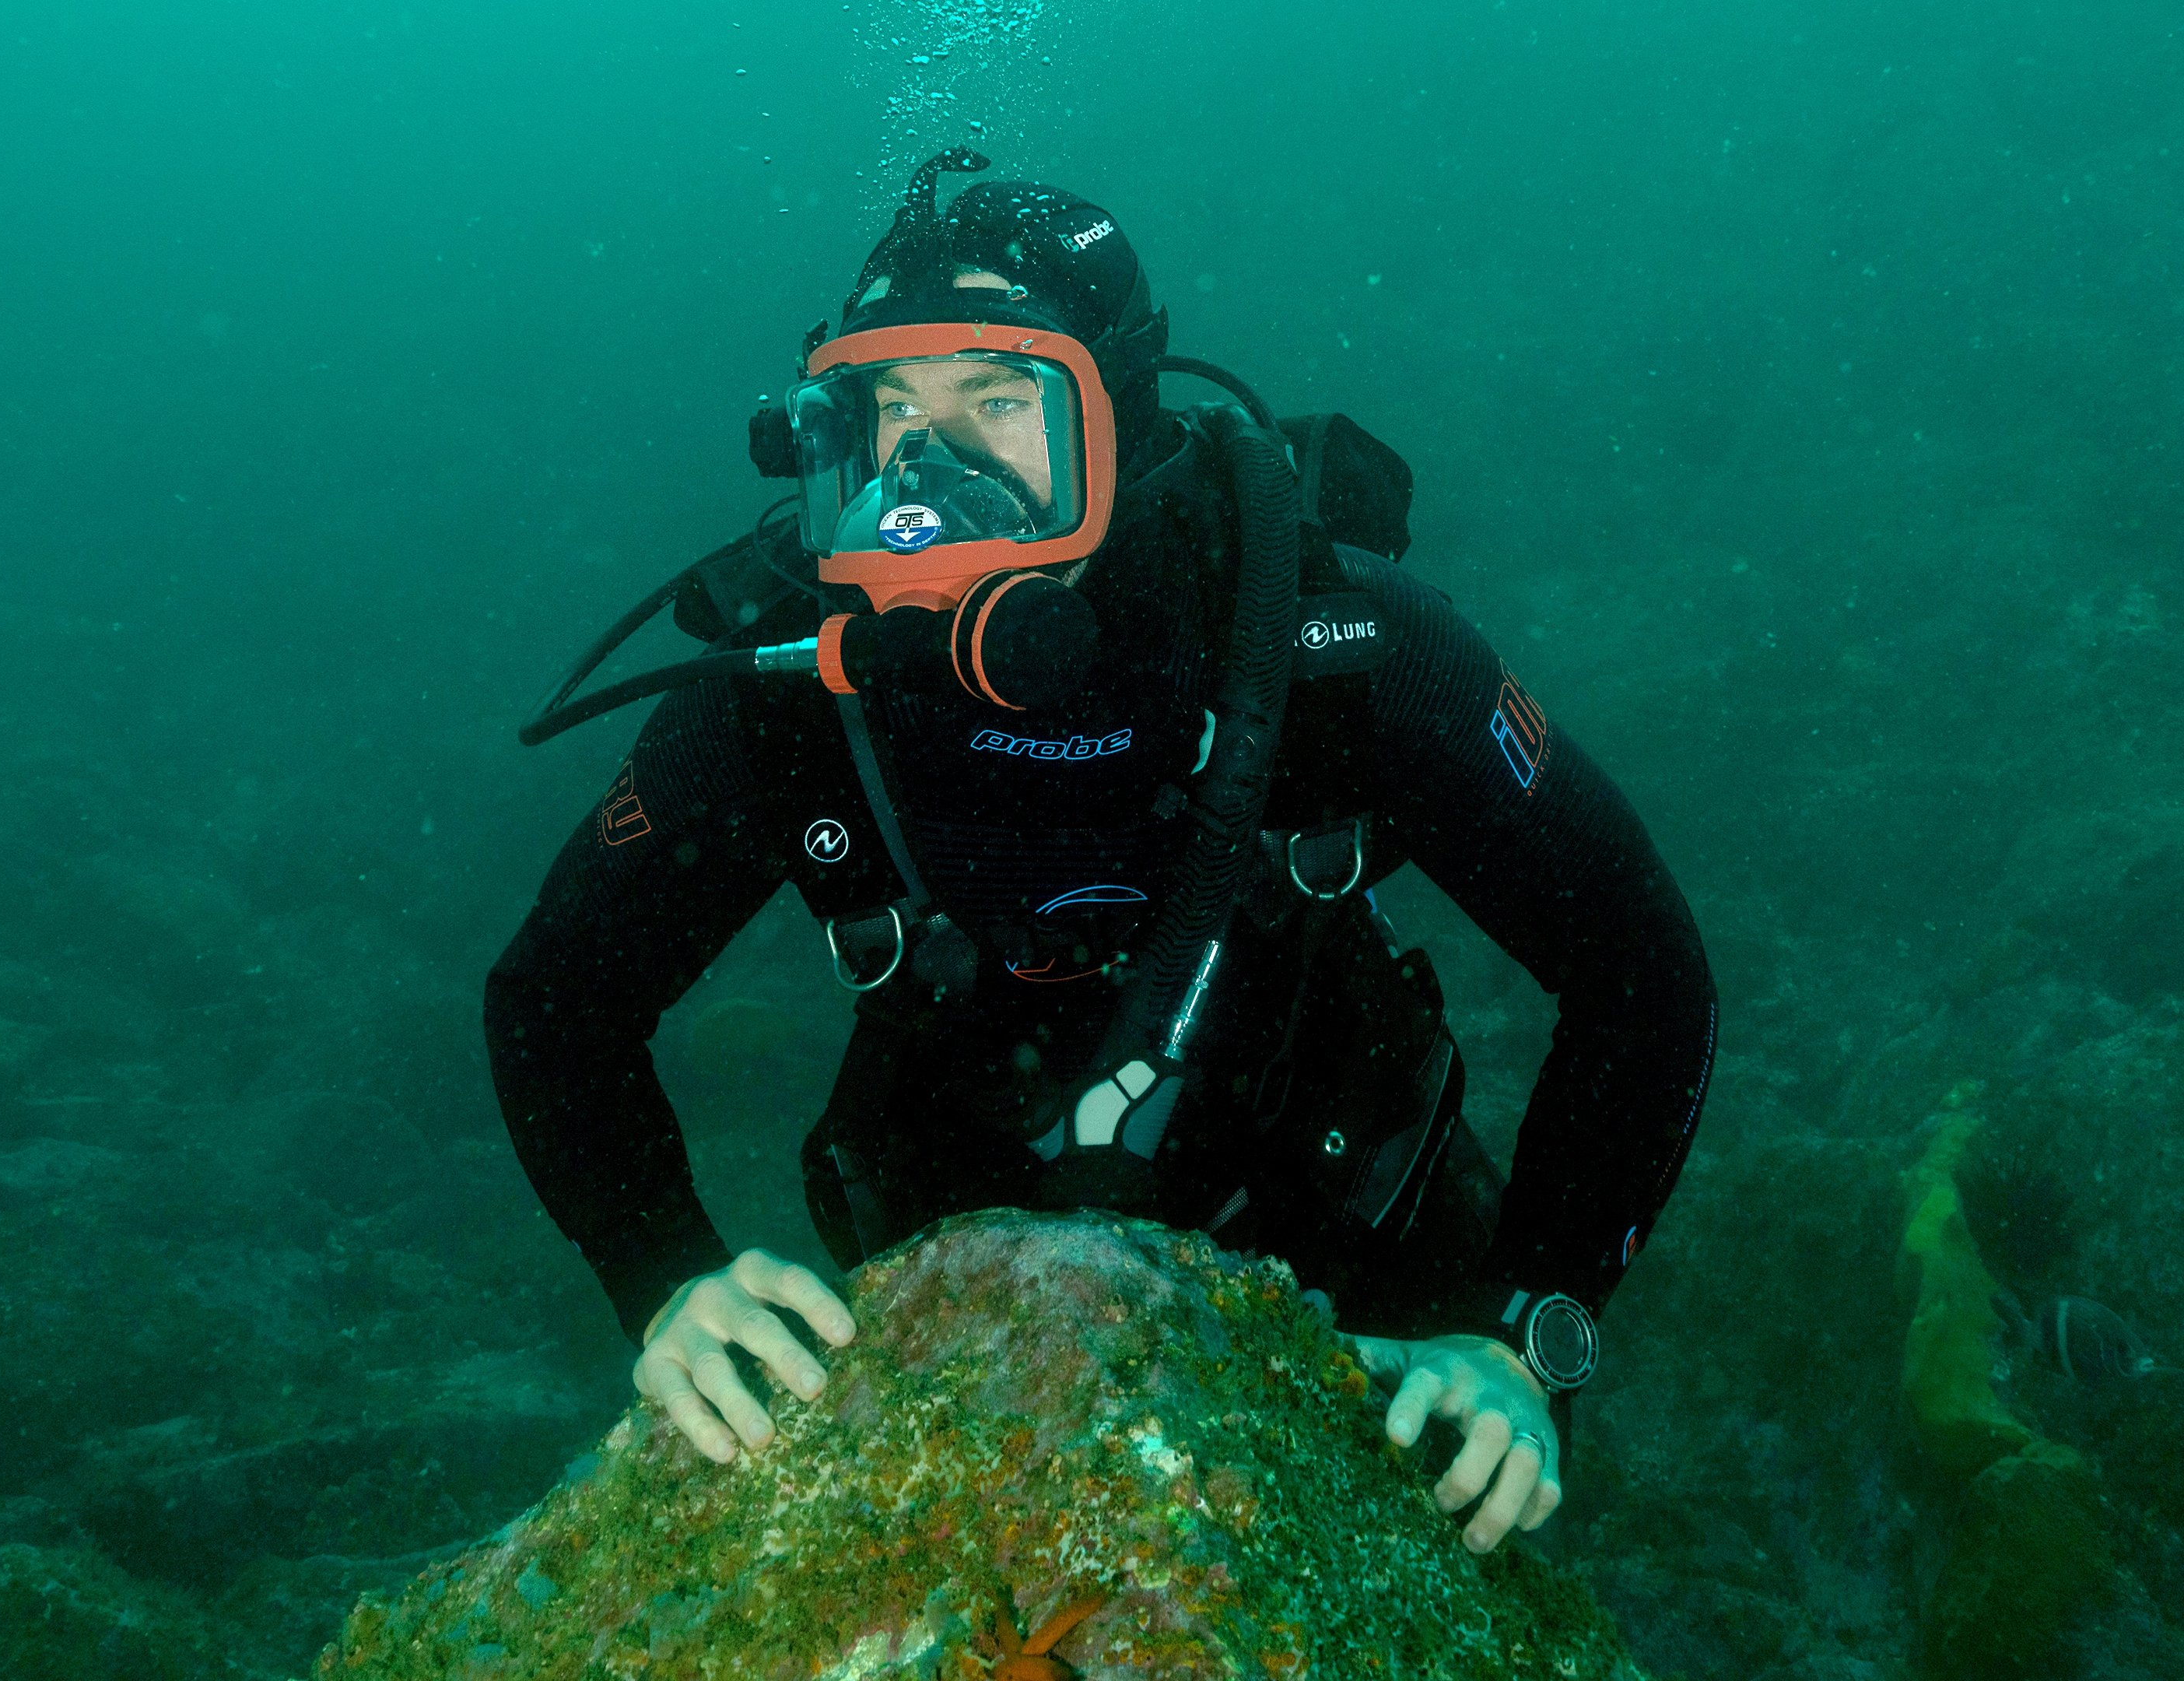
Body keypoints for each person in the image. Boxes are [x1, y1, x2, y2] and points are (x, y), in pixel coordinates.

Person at [486, 153, 1716, 1555]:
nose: (929, 478)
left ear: (1117, 421)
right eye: (894, 409)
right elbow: (553, 1000)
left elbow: (1643, 972)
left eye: (999, 404)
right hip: (973, 1283)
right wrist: (662, 1278)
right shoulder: (789, 699)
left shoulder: (1334, 652)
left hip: (1375, 1255)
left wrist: (1520, 1337)